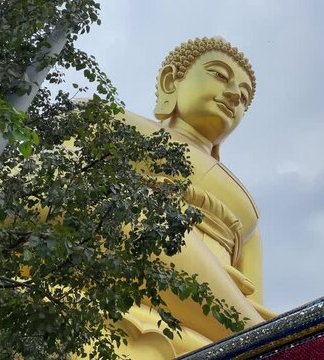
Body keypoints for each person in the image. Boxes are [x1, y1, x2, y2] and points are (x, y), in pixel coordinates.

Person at [116, 37, 273, 358]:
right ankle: (267, 343)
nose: (233, 96)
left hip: (212, 335)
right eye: (219, 75)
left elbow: (255, 302)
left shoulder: (249, 215)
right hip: (124, 299)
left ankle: (265, 342)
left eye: (243, 97)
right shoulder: (117, 128)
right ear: (171, 80)